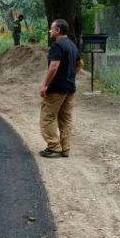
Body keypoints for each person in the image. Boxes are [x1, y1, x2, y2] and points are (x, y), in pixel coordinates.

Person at [39, 19, 83, 158]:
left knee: (47, 117)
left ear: (57, 30)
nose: (49, 31)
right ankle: (65, 148)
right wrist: (70, 75)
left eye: (51, 29)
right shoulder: (72, 45)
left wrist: (45, 85)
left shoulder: (57, 46)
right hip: (70, 87)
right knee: (65, 119)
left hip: (57, 88)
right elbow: (80, 64)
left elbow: (54, 66)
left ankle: (54, 147)